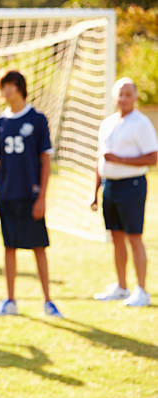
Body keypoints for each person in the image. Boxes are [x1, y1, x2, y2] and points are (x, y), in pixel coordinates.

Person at [0, 70, 63, 318]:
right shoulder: (0, 122)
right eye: (3, 87)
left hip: (30, 195)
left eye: (10, 85)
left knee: (38, 247)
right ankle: (10, 300)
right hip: (6, 195)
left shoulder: (37, 119)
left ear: (20, 87)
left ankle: (48, 301)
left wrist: (42, 197)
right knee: (9, 247)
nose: (6, 91)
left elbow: (46, 161)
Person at [91, 77, 157, 307]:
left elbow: (153, 157)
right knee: (116, 238)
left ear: (135, 97)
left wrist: (121, 159)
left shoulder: (141, 124)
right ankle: (121, 286)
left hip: (132, 186)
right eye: (120, 94)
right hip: (110, 187)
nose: (124, 98)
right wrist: (95, 190)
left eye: (128, 94)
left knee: (134, 238)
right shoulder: (107, 123)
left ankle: (141, 289)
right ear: (114, 97)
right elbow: (100, 159)